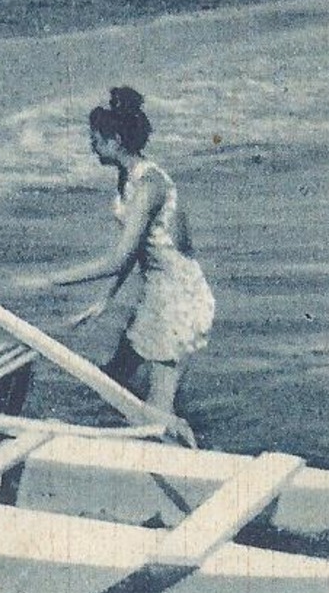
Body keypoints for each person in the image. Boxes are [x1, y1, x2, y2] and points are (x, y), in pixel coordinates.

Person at [19, 88, 212, 445]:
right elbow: (136, 252)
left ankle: (182, 460)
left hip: (178, 300)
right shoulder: (128, 178)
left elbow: (118, 259)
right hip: (158, 294)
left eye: (96, 140)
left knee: (157, 411)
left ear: (116, 140)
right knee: (115, 380)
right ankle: (137, 445)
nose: (92, 147)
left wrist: (49, 280)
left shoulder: (149, 187)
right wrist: (104, 299)